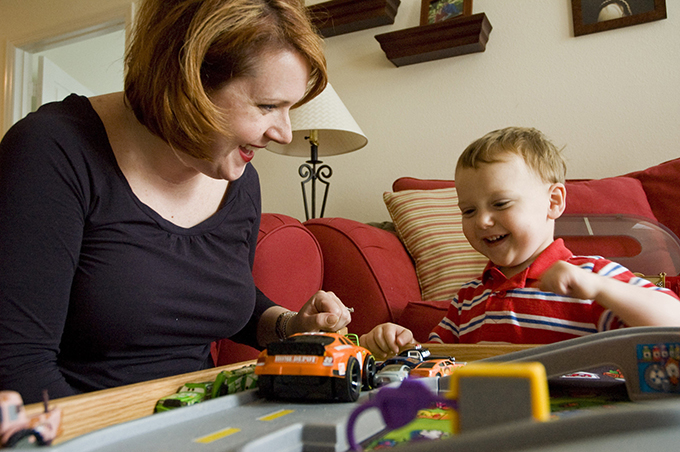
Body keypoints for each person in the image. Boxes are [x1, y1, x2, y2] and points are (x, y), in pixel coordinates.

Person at [0, 0, 352, 404]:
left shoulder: (240, 180)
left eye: (289, 108)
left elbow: (207, 291)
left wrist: (290, 325)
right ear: (188, 83)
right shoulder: (52, 150)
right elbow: (18, 367)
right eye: (267, 106)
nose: (285, 134)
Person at [360, 127, 680, 360]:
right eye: (468, 210)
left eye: (500, 204)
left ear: (553, 202)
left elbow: (673, 322)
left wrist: (600, 288)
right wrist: (398, 345)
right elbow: (437, 362)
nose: (482, 221)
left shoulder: (591, 277)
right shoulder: (466, 301)